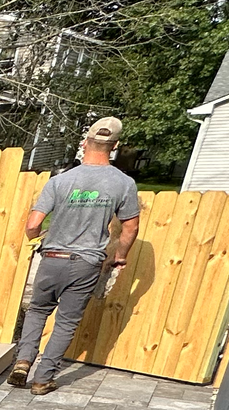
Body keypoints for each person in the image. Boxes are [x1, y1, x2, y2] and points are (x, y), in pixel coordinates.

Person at [11, 117, 141, 394]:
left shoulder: (61, 180)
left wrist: (35, 236)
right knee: (67, 321)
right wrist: (120, 255)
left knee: (37, 311)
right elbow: (131, 226)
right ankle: (43, 378)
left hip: (52, 258)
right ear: (114, 146)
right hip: (86, 263)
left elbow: (34, 225)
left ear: (85, 144)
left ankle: (23, 362)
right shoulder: (124, 183)